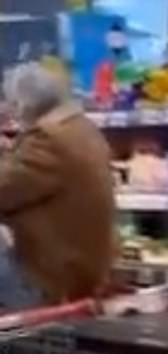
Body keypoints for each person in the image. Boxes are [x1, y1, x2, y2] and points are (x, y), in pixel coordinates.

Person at [0, 62, 115, 309]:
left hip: (50, 277)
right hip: (84, 267)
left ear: (23, 103)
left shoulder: (47, 139)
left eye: (10, 102)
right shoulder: (80, 127)